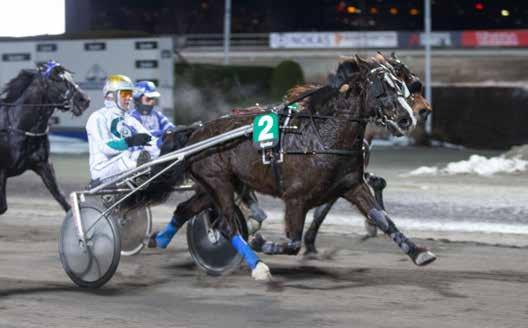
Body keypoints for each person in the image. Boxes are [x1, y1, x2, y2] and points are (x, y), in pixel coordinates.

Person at [85, 75, 160, 181]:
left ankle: (144, 173)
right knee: (125, 159)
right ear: (111, 95)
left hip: (126, 166)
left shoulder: (130, 120)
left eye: (131, 94)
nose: (129, 98)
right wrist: (131, 141)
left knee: (147, 155)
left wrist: (165, 143)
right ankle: (142, 173)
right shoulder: (97, 117)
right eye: (125, 94)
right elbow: (106, 147)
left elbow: (151, 142)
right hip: (102, 170)